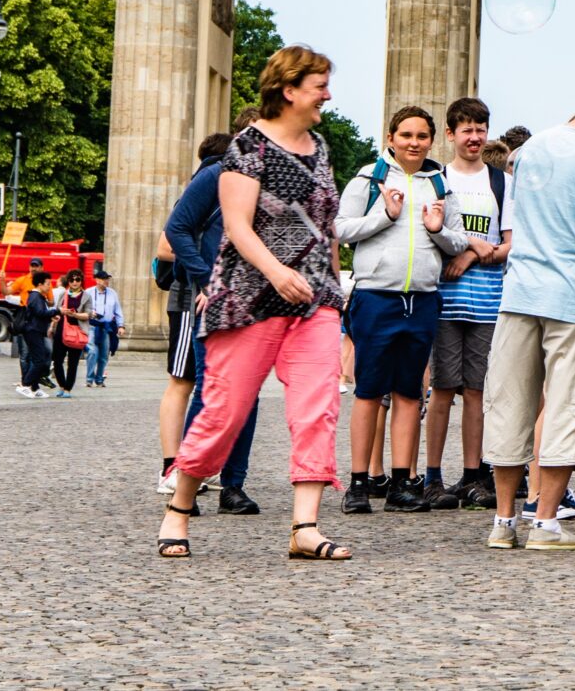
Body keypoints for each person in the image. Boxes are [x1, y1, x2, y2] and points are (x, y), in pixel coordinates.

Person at [157, 45, 351, 562]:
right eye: (319, 87)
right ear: (288, 90)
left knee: (318, 407)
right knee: (225, 410)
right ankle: (179, 509)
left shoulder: (322, 147)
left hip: (314, 299)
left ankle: (304, 527)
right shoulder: (247, 148)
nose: (327, 96)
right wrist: (277, 272)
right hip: (248, 297)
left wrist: (333, 284)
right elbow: (237, 225)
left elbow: (326, 224)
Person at [481, 74, 575, 552]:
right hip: (573, 296)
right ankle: (545, 521)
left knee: (509, 403)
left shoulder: (529, 151)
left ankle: (504, 521)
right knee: (569, 404)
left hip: (520, 291)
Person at [336, 106, 469, 514]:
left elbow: (460, 241)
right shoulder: (369, 178)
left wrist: (437, 230)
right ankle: (358, 484)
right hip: (377, 295)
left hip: (423, 298)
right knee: (369, 391)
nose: (414, 143)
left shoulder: (441, 185)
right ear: (391, 138)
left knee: (410, 393)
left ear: (432, 140)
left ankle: (401, 483)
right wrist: (384, 215)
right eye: (406, 135)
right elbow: (340, 228)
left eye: (422, 136)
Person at [166, 121, 265, 513]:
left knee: (250, 395)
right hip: (214, 300)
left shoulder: (274, 176)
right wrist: (207, 278)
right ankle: (184, 488)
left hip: (257, 301)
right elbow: (177, 228)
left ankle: (233, 485)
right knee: (211, 392)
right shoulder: (217, 172)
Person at [423, 96, 512, 512]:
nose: (474, 138)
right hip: (443, 299)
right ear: (451, 134)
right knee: (442, 389)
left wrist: (473, 253)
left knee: (477, 391)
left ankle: (473, 473)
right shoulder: (436, 178)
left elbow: (511, 242)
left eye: (481, 129)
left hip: (487, 299)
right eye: (466, 130)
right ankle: (433, 474)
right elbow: (431, 233)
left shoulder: (500, 182)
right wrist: (472, 244)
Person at [48, 268, 90, 397]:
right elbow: (57, 311)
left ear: (81, 281)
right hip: (61, 330)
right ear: (68, 281)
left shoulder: (86, 296)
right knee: (57, 360)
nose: (75, 282)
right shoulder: (63, 294)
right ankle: (61, 385)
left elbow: (88, 315)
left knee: (73, 363)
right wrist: (52, 325)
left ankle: (68, 389)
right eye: (72, 280)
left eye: (77, 279)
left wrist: (75, 314)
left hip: (77, 331)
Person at [14, 268, 53, 398]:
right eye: (48, 284)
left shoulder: (37, 296)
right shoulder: (35, 296)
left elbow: (39, 314)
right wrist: (57, 311)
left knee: (38, 359)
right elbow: (40, 313)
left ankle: (35, 388)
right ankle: (24, 385)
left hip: (36, 331)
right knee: (39, 360)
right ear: (40, 284)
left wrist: (51, 316)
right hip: (33, 331)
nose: (49, 286)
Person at [80, 268, 122, 387]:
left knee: (104, 355)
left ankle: (99, 379)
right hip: (91, 326)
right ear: (97, 280)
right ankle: (89, 379)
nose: (106, 281)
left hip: (106, 327)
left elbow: (118, 310)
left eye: (107, 279)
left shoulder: (112, 293)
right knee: (93, 352)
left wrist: (121, 325)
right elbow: (81, 309)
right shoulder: (88, 293)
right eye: (104, 279)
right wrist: (89, 313)